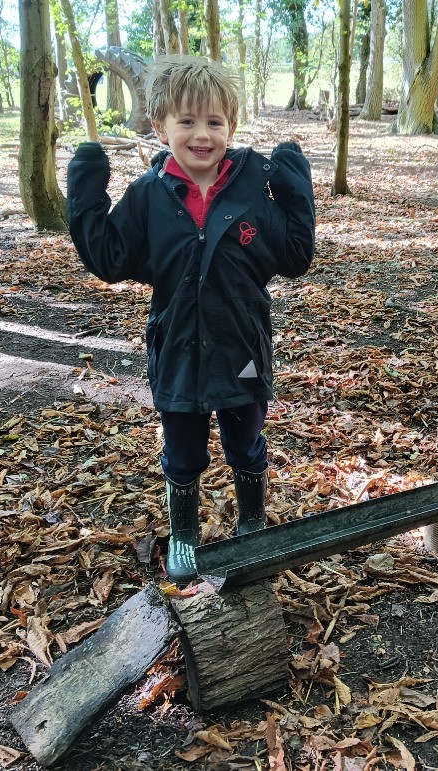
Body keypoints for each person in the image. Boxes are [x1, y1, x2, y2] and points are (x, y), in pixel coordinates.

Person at [66, 55, 315, 585]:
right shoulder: (149, 195)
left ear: (231, 126)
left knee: (244, 442)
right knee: (182, 449)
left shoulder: (252, 190)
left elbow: (294, 255)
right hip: (177, 348)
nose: (202, 135)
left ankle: (251, 518)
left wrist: (296, 187)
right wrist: (86, 188)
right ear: (160, 128)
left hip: (242, 347)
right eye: (187, 121)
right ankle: (184, 532)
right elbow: (110, 259)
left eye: (215, 122)